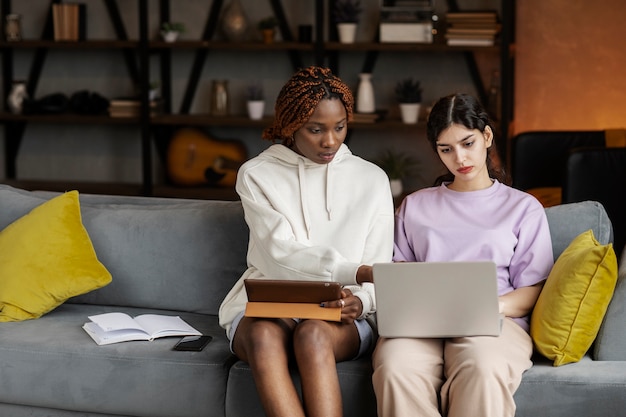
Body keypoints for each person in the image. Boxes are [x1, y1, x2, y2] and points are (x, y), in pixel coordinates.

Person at [218, 66, 394, 417]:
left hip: (338, 313)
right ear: (290, 124)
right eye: (316, 129)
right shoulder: (256, 175)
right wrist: (355, 271)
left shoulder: (372, 179)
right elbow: (277, 254)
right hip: (272, 302)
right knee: (263, 337)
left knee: (313, 335)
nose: (330, 141)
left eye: (339, 127)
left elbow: (381, 264)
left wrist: (362, 300)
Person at [372, 93, 554, 417]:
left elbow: (535, 288)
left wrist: (488, 306)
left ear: (486, 136)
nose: (460, 157)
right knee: (395, 365)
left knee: (483, 366)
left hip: (495, 323)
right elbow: (397, 275)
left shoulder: (523, 207)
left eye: (468, 143)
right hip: (421, 324)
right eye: (447, 149)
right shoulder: (415, 206)